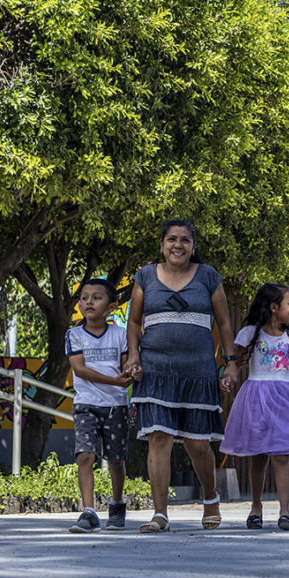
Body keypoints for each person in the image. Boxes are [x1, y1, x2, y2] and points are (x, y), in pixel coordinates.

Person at [125, 219, 239, 532]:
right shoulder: (145, 276)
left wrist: (230, 363)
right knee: (158, 438)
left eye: (185, 240)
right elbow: (134, 322)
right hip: (155, 370)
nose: (178, 245)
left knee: (197, 444)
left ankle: (210, 497)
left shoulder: (208, 276)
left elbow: (225, 324)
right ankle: (160, 514)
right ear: (162, 245)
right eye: (172, 239)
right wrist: (133, 356)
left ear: (193, 246)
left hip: (198, 372)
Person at [220, 284, 289, 531]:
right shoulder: (250, 334)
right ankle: (256, 507)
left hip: (284, 397)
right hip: (256, 396)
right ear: (273, 307)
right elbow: (236, 364)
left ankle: (285, 511)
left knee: (282, 455)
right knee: (258, 456)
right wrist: (228, 378)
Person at [66, 279, 136, 533]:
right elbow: (80, 370)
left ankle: (117, 506)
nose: (88, 302)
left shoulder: (121, 335)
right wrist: (114, 379)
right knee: (85, 455)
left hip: (115, 404)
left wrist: (132, 372)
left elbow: (128, 364)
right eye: (84, 298)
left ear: (112, 306)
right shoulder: (73, 335)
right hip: (85, 403)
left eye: (96, 298)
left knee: (116, 458)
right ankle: (89, 512)